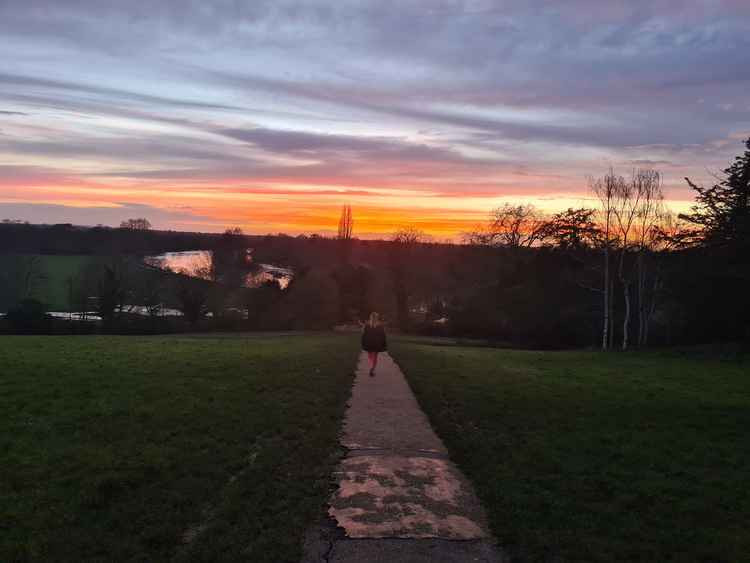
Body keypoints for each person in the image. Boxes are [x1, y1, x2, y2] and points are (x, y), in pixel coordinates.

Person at [361, 312, 387, 376]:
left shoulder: (379, 325)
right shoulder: (368, 325)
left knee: (372, 356)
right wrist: (383, 343)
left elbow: (383, 335)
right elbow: (364, 335)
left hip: (372, 343)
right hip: (374, 343)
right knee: (373, 356)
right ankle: (372, 367)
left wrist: (383, 343)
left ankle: (372, 369)